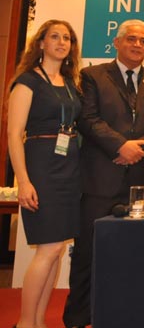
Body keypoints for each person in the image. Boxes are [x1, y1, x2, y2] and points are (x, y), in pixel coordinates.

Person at [64, 19, 144, 328]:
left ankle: (133, 313)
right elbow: (88, 119)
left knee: (139, 253)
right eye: (131, 39)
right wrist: (120, 147)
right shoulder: (92, 76)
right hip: (100, 178)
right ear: (117, 42)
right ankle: (77, 317)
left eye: (143, 41)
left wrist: (138, 148)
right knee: (87, 252)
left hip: (142, 179)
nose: (138, 45)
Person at [7, 20, 82, 328]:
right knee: (49, 247)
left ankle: (38, 320)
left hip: (69, 168)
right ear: (40, 43)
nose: (61, 42)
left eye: (66, 38)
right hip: (41, 167)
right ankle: (25, 323)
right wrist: (23, 181)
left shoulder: (69, 81)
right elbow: (14, 135)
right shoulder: (27, 81)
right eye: (54, 36)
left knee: (56, 248)